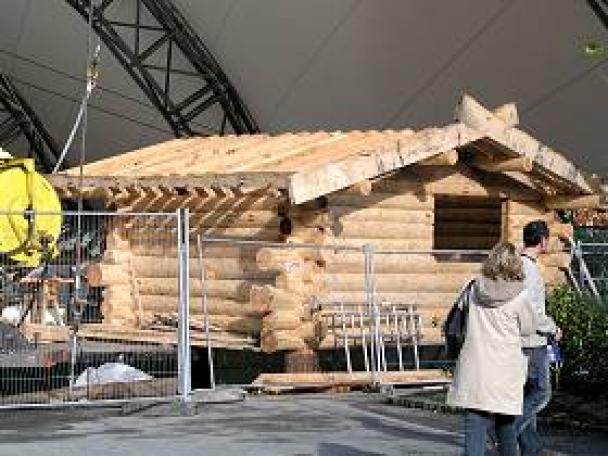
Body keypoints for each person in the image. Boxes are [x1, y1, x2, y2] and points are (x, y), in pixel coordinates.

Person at [447, 242, 537, 456]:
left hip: (475, 370)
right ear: (516, 265)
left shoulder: (472, 288)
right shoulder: (520, 296)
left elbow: (457, 322)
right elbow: (528, 328)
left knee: (474, 429)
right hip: (505, 374)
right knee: (506, 428)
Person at [516, 221, 561, 456]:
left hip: (520, 341)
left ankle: (530, 449)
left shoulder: (518, 264)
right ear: (542, 240)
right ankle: (505, 433)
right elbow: (534, 312)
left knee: (527, 395)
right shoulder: (530, 270)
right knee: (542, 392)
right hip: (533, 341)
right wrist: (553, 328)